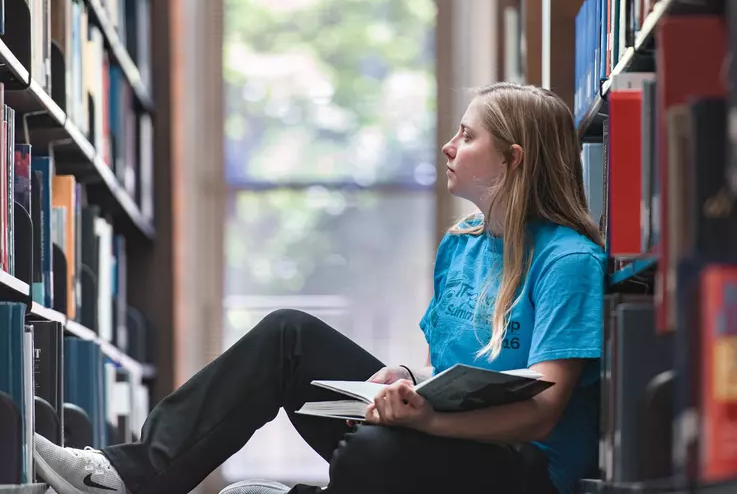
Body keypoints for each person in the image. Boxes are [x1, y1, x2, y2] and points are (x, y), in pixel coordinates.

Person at [34, 82, 606, 494]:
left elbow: (542, 413)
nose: (448, 147)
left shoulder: (568, 260)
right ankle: (131, 477)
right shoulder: (462, 244)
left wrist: (423, 421)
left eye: (466, 135)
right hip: (440, 438)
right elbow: (452, 373)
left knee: (377, 450)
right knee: (290, 333)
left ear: (512, 161)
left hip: (520, 467)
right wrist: (408, 383)